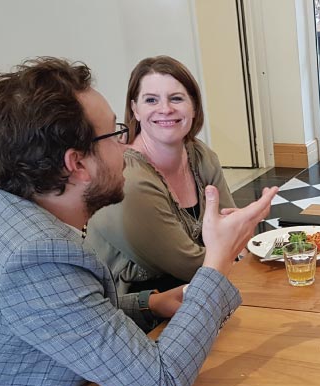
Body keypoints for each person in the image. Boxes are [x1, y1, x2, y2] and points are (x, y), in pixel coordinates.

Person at [0, 57, 278, 386]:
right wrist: (217, 260)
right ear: (77, 164)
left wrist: (149, 304)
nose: (126, 145)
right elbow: (163, 385)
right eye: (116, 135)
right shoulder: (35, 256)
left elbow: (66, 319)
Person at [86, 56, 234, 295]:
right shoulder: (128, 179)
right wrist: (235, 247)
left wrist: (234, 240)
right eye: (151, 100)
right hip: (138, 309)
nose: (165, 109)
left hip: (198, 287)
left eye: (176, 98)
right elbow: (188, 266)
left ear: (194, 107)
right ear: (135, 108)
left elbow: (229, 228)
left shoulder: (201, 155)